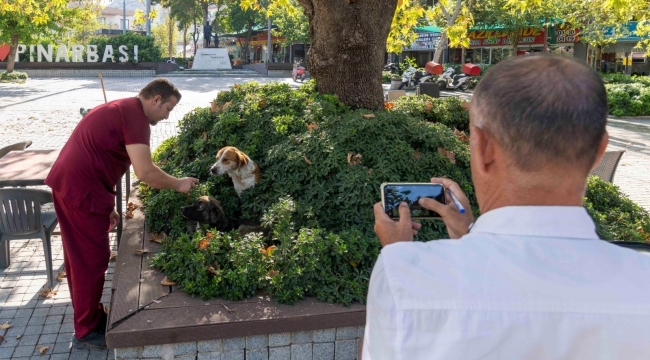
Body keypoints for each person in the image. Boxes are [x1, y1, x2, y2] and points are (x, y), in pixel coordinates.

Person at [363, 55, 650, 359]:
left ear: (484, 147)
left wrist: (398, 255)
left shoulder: (406, 275)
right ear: (599, 152)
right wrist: (467, 235)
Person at [45, 79, 199, 350]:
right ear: (155, 100)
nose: (167, 116)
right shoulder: (135, 116)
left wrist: (108, 206)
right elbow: (146, 172)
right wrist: (179, 183)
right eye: (168, 108)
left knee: (82, 258)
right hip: (80, 190)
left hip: (77, 186)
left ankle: (89, 318)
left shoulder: (123, 108)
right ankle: (85, 331)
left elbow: (102, 156)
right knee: (89, 260)